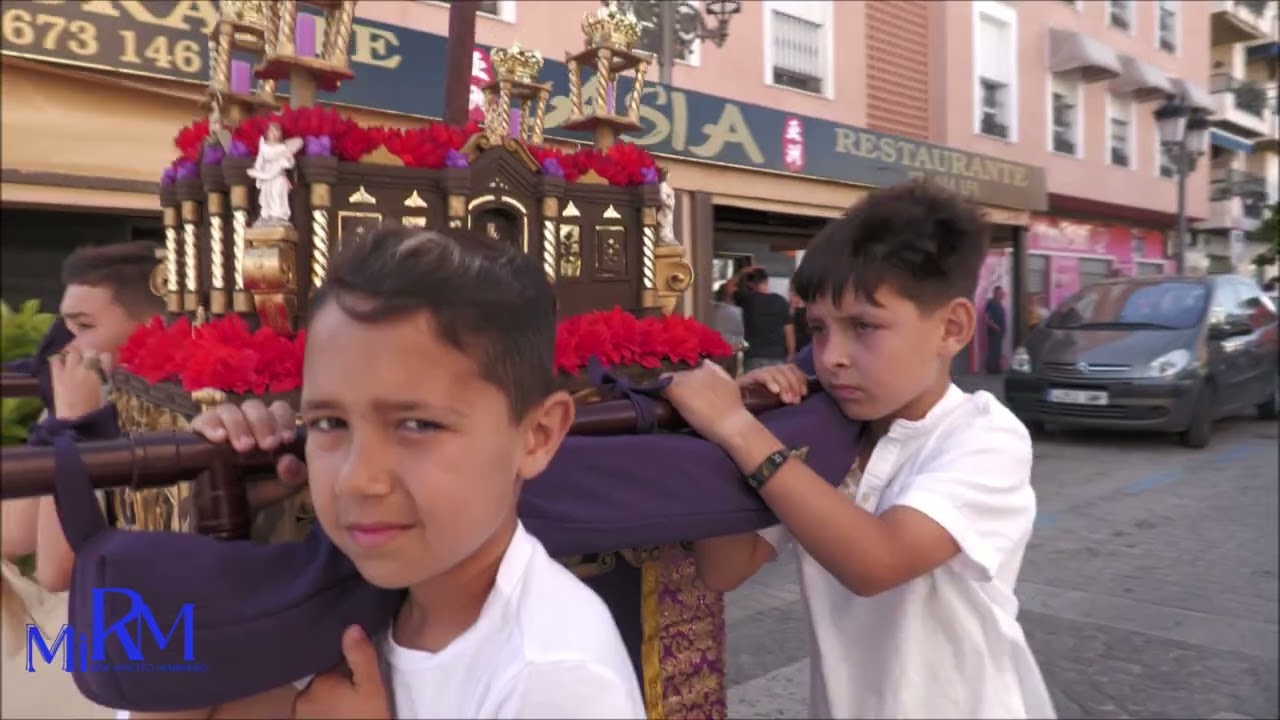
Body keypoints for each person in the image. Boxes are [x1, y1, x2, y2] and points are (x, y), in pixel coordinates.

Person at [143, 226, 644, 719]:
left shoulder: (552, 677)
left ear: (536, 436)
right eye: (329, 423)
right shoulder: (337, 592)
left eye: (418, 424)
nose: (357, 480)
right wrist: (218, 544)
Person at [660, 182, 1054, 718]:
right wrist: (739, 424)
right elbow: (724, 568)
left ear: (953, 326)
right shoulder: (822, 435)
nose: (831, 357)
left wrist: (738, 429)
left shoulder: (983, 435)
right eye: (818, 329)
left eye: (864, 326)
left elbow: (876, 561)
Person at [733, 266, 794, 371]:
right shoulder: (781, 301)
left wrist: (742, 271)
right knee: (776, 387)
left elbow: (729, 288)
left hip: (754, 357)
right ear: (766, 281)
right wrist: (791, 353)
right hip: (777, 357)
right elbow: (789, 330)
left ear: (750, 284)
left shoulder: (747, 300)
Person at [984, 284, 1007, 375]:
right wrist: (994, 326)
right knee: (992, 350)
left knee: (997, 350)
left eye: (1001, 292)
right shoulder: (991, 303)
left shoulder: (999, 303)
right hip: (993, 331)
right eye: (999, 292)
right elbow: (987, 318)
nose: (1001, 294)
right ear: (995, 292)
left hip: (999, 332)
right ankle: (990, 368)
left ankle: (997, 368)